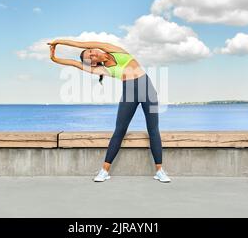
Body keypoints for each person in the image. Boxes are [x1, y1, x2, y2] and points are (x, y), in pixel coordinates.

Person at [47, 39, 171, 183]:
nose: (93, 54)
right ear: (93, 63)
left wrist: (58, 42)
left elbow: (82, 44)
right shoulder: (103, 69)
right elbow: (75, 64)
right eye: (90, 57)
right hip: (129, 94)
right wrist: (54, 58)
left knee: (153, 129)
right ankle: (104, 171)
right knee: (119, 130)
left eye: (91, 51)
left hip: (149, 90)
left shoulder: (112, 49)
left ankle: (159, 171)